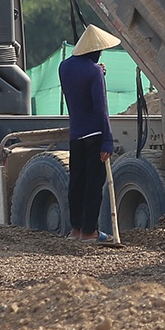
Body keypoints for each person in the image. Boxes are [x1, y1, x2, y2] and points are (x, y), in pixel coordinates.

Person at [58, 25, 121, 240]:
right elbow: (101, 109)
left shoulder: (64, 67)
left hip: (76, 134)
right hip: (94, 135)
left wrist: (96, 71)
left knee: (77, 182)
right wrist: (108, 141)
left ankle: (76, 229)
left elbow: (77, 83)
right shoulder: (94, 72)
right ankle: (89, 231)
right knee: (94, 185)